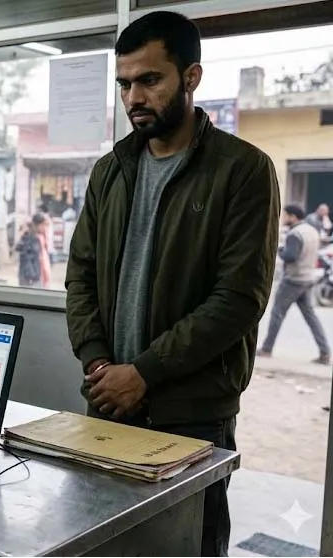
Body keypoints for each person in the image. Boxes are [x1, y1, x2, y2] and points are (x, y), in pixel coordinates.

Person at [64, 11, 279, 557]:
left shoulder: (242, 170)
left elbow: (238, 299)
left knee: (189, 544)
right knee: (109, 544)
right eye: (124, 83)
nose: (134, 96)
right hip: (109, 401)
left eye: (150, 80)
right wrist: (98, 365)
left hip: (192, 412)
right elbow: (80, 275)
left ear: (191, 77)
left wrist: (145, 372)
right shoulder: (110, 170)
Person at [258, 204, 330, 365]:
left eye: (285, 215)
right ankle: (325, 352)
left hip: (293, 280)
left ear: (293, 217)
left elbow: (290, 256)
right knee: (311, 317)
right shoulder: (311, 230)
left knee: (277, 313)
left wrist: (278, 250)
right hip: (307, 279)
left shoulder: (295, 234)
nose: (283, 218)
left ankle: (267, 348)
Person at [15, 213, 49, 288]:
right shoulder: (31, 239)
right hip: (31, 278)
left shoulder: (32, 237)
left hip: (33, 276)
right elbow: (28, 259)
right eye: (43, 225)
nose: (44, 228)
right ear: (38, 225)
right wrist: (32, 276)